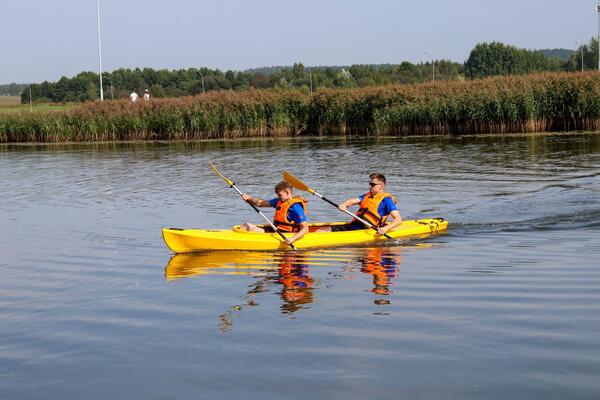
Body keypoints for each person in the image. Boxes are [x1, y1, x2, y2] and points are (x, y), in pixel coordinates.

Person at [321, 172, 402, 235]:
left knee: (324, 231)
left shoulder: (387, 200)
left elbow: (398, 220)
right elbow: (352, 201)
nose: (370, 186)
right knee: (324, 230)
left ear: (381, 186)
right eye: (370, 184)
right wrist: (344, 205)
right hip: (355, 227)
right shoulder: (367, 196)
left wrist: (385, 228)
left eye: (373, 185)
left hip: (367, 231)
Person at [240, 181, 309, 246]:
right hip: (276, 231)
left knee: (250, 227)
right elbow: (260, 203)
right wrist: (249, 198)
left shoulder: (296, 207)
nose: (278, 197)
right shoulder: (279, 201)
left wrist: (292, 239)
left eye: (279, 195)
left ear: (287, 192)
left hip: (286, 235)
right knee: (247, 225)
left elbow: (305, 228)